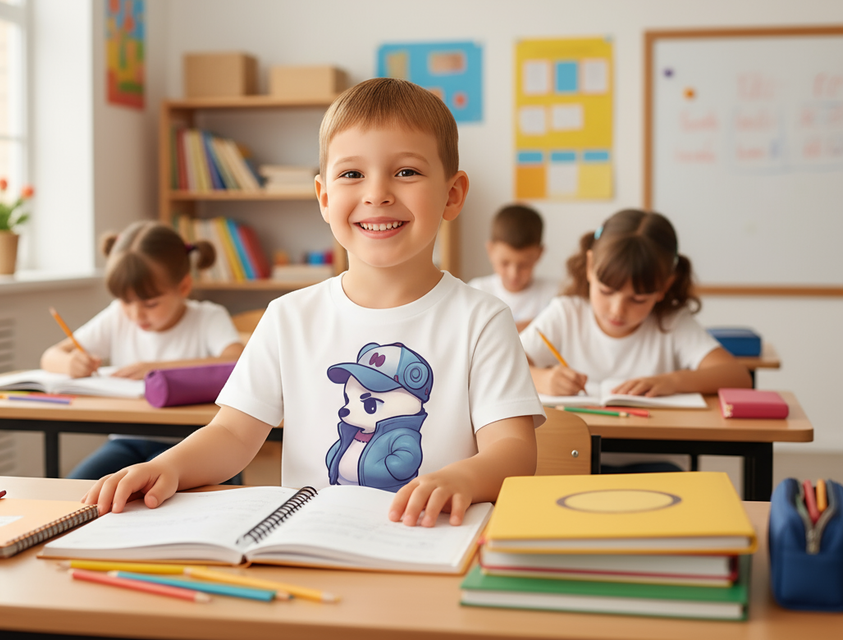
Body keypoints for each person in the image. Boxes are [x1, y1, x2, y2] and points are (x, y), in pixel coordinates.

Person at [85, 78, 544, 527]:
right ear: (324, 197)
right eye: (352, 174)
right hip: (310, 545)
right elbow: (232, 434)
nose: (377, 193)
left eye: (406, 171)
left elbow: (514, 450)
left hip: (430, 545)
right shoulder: (289, 317)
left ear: (453, 193)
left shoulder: (483, 320)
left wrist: (462, 476)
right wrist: (170, 466)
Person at [520, 209, 751, 471]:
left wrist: (672, 381)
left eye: (638, 299)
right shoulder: (565, 313)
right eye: (606, 291)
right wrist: (542, 378)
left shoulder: (671, 322)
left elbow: (737, 376)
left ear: (665, 285)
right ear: (589, 267)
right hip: (572, 461)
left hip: (655, 464)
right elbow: (505, 364)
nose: (617, 310)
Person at [41, 221, 244, 479]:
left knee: (153, 492)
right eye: (126, 301)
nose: (136, 314)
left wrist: (158, 370)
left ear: (183, 287)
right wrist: (71, 363)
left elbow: (236, 361)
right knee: (74, 490)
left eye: (150, 303)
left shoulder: (208, 317)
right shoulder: (118, 316)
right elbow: (50, 356)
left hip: (191, 442)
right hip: (128, 440)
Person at [468, 203, 559, 331]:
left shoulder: (555, 296)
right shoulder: (475, 292)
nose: (513, 273)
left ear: (539, 254)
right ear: (490, 251)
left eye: (524, 265)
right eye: (505, 263)